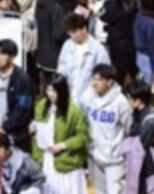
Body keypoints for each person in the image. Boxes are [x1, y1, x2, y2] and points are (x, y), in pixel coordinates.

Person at [32, 74, 90, 194]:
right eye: (48, 90)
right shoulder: (42, 106)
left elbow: (83, 137)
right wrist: (34, 127)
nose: (50, 94)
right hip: (47, 157)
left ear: (62, 91)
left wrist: (63, 145)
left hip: (66, 160)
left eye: (54, 91)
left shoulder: (74, 111)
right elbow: (38, 128)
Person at [81, 64, 131, 194]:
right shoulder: (87, 96)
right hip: (93, 155)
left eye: (98, 79)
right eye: (93, 79)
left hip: (114, 159)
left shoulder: (121, 102)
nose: (94, 83)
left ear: (109, 82)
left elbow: (129, 128)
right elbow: (82, 121)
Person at [0, 39, 36, 152]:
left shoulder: (22, 79)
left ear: (12, 57)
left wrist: (5, 127)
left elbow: (23, 109)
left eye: (2, 54)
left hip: (17, 135)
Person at [58, 13, 111, 100]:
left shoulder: (98, 50)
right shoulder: (67, 45)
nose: (72, 36)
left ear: (84, 29)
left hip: (89, 98)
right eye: (70, 33)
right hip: (69, 96)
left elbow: (105, 76)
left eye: (75, 32)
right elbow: (62, 66)